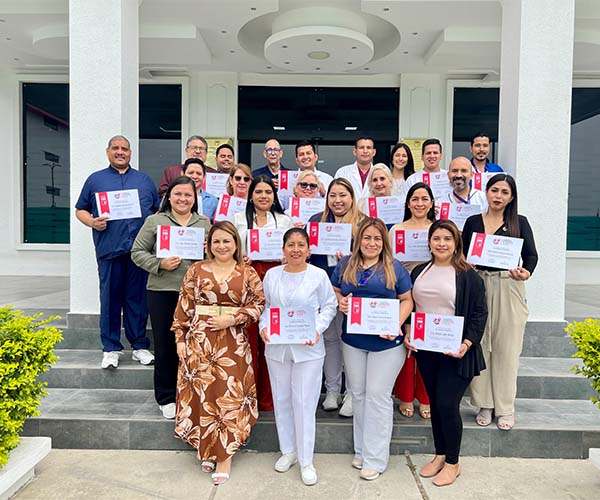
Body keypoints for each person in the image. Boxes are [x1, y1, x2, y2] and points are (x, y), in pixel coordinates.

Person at [171, 221, 265, 485]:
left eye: (226, 241)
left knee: (228, 395)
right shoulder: (196, 270)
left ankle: (225, 455)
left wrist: (233, 319)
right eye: (216, 242)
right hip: (199, 340)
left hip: (232, 342)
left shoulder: (246, 272)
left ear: (236, 243)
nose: (222, 246)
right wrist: (180, 337)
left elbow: (258, 304)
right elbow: (184, 304)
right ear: (209, 245)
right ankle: (207, 448)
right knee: (204, 394)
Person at [405, 219, 488, 487]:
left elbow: (479, 313)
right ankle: (440, 454)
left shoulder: (468, 275)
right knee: (435, 405)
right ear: (429, 242)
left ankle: (453, 462)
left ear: (456, 244)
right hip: (427, 350)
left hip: (456, 352)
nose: (442, 243)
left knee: (446, 405)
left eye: (447, 239)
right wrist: (408, 330)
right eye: (437, 238)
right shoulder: (419, 271)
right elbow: (412, 306)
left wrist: (467, 343)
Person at [332, 217, 413, 481]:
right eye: (367, 237)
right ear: (358, 240)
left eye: (377, 238)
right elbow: (333, 290)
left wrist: (396, 323)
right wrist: (341, 301)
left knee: (378, 395)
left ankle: (376, 458)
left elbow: (407, 300)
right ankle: (362, 450)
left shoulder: (395, 267)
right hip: (354, 341)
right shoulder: (345, 264)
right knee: (359, 395)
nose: (371, 242)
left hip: (386, 343)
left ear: (384, 242)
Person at [259, 228, 338, 486]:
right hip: (278, 348)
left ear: (309, 249)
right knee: (282, 399)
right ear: (283, 249)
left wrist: (317, 328)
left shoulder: (318, 275)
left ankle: (306, 460)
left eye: (300, 245)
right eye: (290, 245)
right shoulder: (272, 275)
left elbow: (329, 305)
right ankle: (288, 451)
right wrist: (263, 328)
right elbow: (267, 308)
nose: (295, 249)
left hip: (308, 349)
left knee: (304, 402)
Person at [75, 135, 159, 369]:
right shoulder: (95, 180)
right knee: (110, 299)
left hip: (139, 252)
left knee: (137, 300)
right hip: (109, 250)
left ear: (130, 153)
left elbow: (156, 212)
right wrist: (92, 222)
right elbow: (80, 209)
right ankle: (111, 348)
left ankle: (139, 346)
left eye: (124, 149)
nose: (120, 152)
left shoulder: (143, 180)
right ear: (108, 152)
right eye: (116, 148)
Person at [462, 173, 538, 431]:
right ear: (486, 191)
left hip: (508, 284)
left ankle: (505, 407)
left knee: (507, 347)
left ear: (511, 197)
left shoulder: (520, 223)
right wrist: (466, 264)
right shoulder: (473, 222)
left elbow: (531, 256)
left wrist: (525, 272)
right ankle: (484, 403)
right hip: (478, 285)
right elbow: (461, 254)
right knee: (480, 344)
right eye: (494, 190)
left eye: (504, 192)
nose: (498, 196)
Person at [131, 176, 210, 420]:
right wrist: (159, 263)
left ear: (194, 198)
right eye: (178, 194)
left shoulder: (205, 223)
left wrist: (209, 252)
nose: (183, 199)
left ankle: (192, 392)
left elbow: (217, 255)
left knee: (195, 345)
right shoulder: (155, 220)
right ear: (169, 196)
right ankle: (166, 396)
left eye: (188, 195)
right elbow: (136, 251)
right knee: (166, 345)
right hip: (162, 290)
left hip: (197, 294)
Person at [233, 176, 294, 411]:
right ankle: (248, 395)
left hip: (277, 277)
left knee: (272, 337)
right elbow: (231, 250)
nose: (263, 196)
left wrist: (285, 257)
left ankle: (270, 398)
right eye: (258, 192)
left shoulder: (284, 220)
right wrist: (242, 258)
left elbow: (293, 250)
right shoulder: (238, 219)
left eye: (268, 192)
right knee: (249, 337)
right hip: (247, 279)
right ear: (251, 195)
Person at [308, 178, 365, 416]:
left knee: (350, 342)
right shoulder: (315, 222)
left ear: (352, 197)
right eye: (333, 195)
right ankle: (333, 390)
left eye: (343, 195)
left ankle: (352, 393)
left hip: (352, 290)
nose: (338, 200)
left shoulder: (362, 224)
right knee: (330, 339)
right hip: (323, 290)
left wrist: (352, 256)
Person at [388, 182, 436, 419]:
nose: (419, 203)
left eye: (424, 199)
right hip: (403, 290)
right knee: (405, 342)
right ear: (408, 203)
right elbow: (388, 260)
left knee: (427, 344)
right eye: (415, 199)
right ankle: (405, 396)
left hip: (431, 289)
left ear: (431, 203)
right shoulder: (396, 229)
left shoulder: (437, 229)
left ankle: (426, 397)